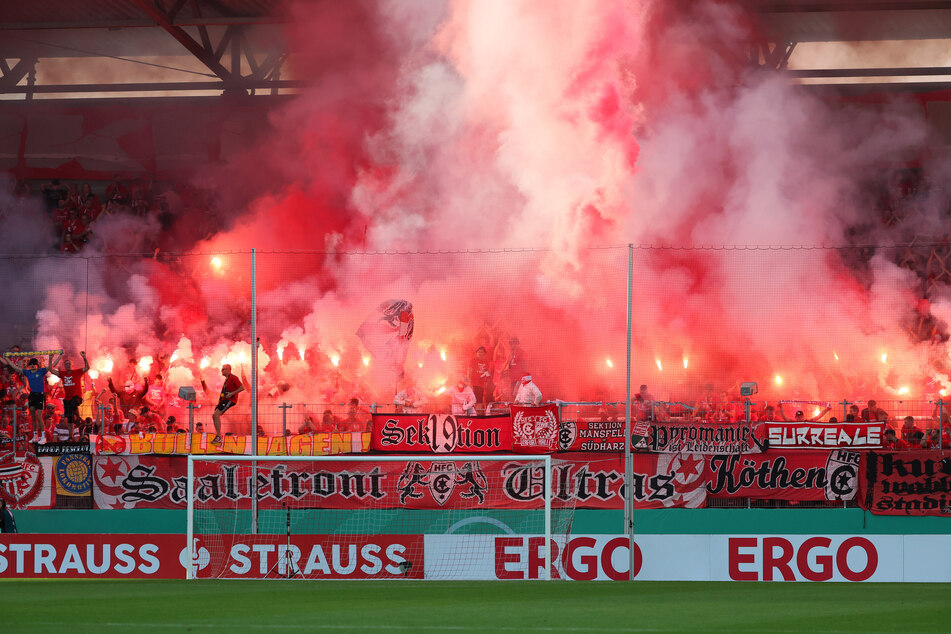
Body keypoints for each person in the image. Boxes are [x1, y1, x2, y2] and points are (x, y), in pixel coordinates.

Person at [1, 352, 57, 443]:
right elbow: (15, 368)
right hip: (32, 396)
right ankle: (35, 436)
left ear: (37, 365)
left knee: (39, 417)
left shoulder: (41, 371)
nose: (32, 366)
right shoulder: (27, 372)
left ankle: (43, 437)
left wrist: (51, 358)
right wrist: (7, 359)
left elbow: (51, 367)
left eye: (34, 364)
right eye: (30, 364)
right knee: (33, 417)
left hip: (39, 395)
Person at [49, 351, 89, 436]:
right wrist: (50, 358)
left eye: (69, 363)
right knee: (69, 418)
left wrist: (84, 357)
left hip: (76, 397)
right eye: (66, 364)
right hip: (67, 399)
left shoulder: (77, 372)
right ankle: (71, 435)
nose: (68, 365)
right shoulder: (62, 373)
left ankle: (78, 418)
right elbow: (51, 370)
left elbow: (87, 367)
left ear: (71, 365)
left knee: (72, 406)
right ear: (65, 366)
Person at [211, 364, 244, 445]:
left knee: (216, 415)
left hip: (229, 399)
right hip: (224, 400)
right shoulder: (227, 379)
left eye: (224, 369)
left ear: (229, 369)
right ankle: (218, 435)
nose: (222, 371)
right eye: (222, 369)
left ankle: (219, 436)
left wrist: (231, 394)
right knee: (214, 415)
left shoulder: (233, 377)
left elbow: (242, 387)